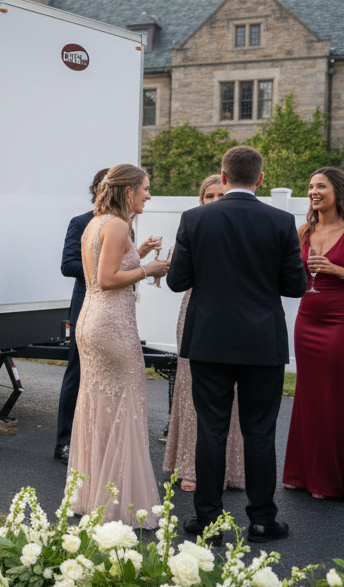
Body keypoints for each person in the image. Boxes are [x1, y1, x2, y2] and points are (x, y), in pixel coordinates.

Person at [167, 146, 306, 544]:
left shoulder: (195, 218)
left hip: (209, 341)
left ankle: (208, 521)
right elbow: (295, 286)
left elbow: (178, 281)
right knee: (260, 432)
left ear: (223, 178)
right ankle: (262, 519)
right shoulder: (280, 221)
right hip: (262, 342)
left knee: (211, 430)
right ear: (259, 179)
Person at [69, 163, 168, 528]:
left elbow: (103, 269)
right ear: (128, 191)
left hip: (90, 320)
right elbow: (107, 278)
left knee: (99, 402)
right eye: (145, 188)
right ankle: (119, 503)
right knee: (125, 401)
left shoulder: (97, 223)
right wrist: (150, 269)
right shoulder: (117, 224)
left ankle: (95, 493)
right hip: (112, 324)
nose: (149, 194)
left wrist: (137, 253)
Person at [282, 167, 344, 500]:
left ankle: (331, 480)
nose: (313, 192)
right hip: (307, 319)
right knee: (307, 395)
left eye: (320, 186)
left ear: (338, 190)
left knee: (334, 396)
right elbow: (286, 270)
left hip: (341, 322)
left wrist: (337, 270)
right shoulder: (303, 230)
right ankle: (298, 473)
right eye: (310, 187)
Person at [163, 175, 246, 493]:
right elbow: (177, 279)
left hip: (235, 317)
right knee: (193, 388)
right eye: (208, 196)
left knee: (233, 392)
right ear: (201, 200)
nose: (214, 200)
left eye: (220, 194)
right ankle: (190, 466)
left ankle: (230, 467)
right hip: (196, 312)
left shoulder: (244, 230)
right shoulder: (193, 229)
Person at [54, 167, 109, 465]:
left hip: (113, 312)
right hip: (85, 306)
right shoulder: (81, 222)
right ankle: (64, 441)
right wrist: (105, 271)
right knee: (77, 375)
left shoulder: (125, 225)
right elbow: (68, 265)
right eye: (104, 186)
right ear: (96, 190)